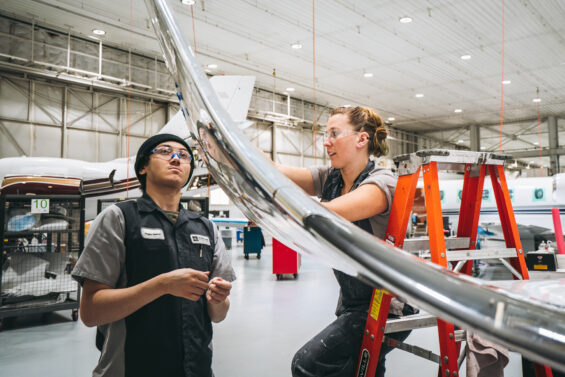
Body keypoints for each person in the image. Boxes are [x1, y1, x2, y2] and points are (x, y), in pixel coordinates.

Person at [72, 133, 236, 377]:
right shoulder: (119, 218)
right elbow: (91, 312)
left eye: (184, 156)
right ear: (143, 167)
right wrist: (162, 285)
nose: (176, 158)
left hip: (196, 369)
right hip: (131, 367)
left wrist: (217, 298)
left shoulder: (206, 228)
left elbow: (218, 315)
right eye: (164, 151)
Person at [274, 106, 415, 377]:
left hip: (387, 306)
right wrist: (229, 149)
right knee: (367, 370)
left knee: (307, 364)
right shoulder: (331, 178)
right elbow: (277, 171)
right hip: (353, 303)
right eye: (326, 135)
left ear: (362, 139)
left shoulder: (382, 182)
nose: (326, 142)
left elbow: (328, 213)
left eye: (334, 134)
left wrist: (275, 213)